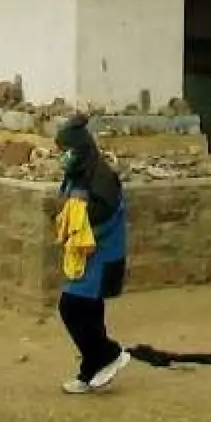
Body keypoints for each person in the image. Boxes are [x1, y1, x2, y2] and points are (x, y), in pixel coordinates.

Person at [51, 114, 132, 395]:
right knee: (90, 312)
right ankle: (89, 371)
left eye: (66, 151)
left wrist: (78, 223)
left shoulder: (102, 178)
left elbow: (104, 217)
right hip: (85, 257)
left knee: (71, 307)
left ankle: (109, 354)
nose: (63, 157)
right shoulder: (78, 174)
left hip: (101, 258)